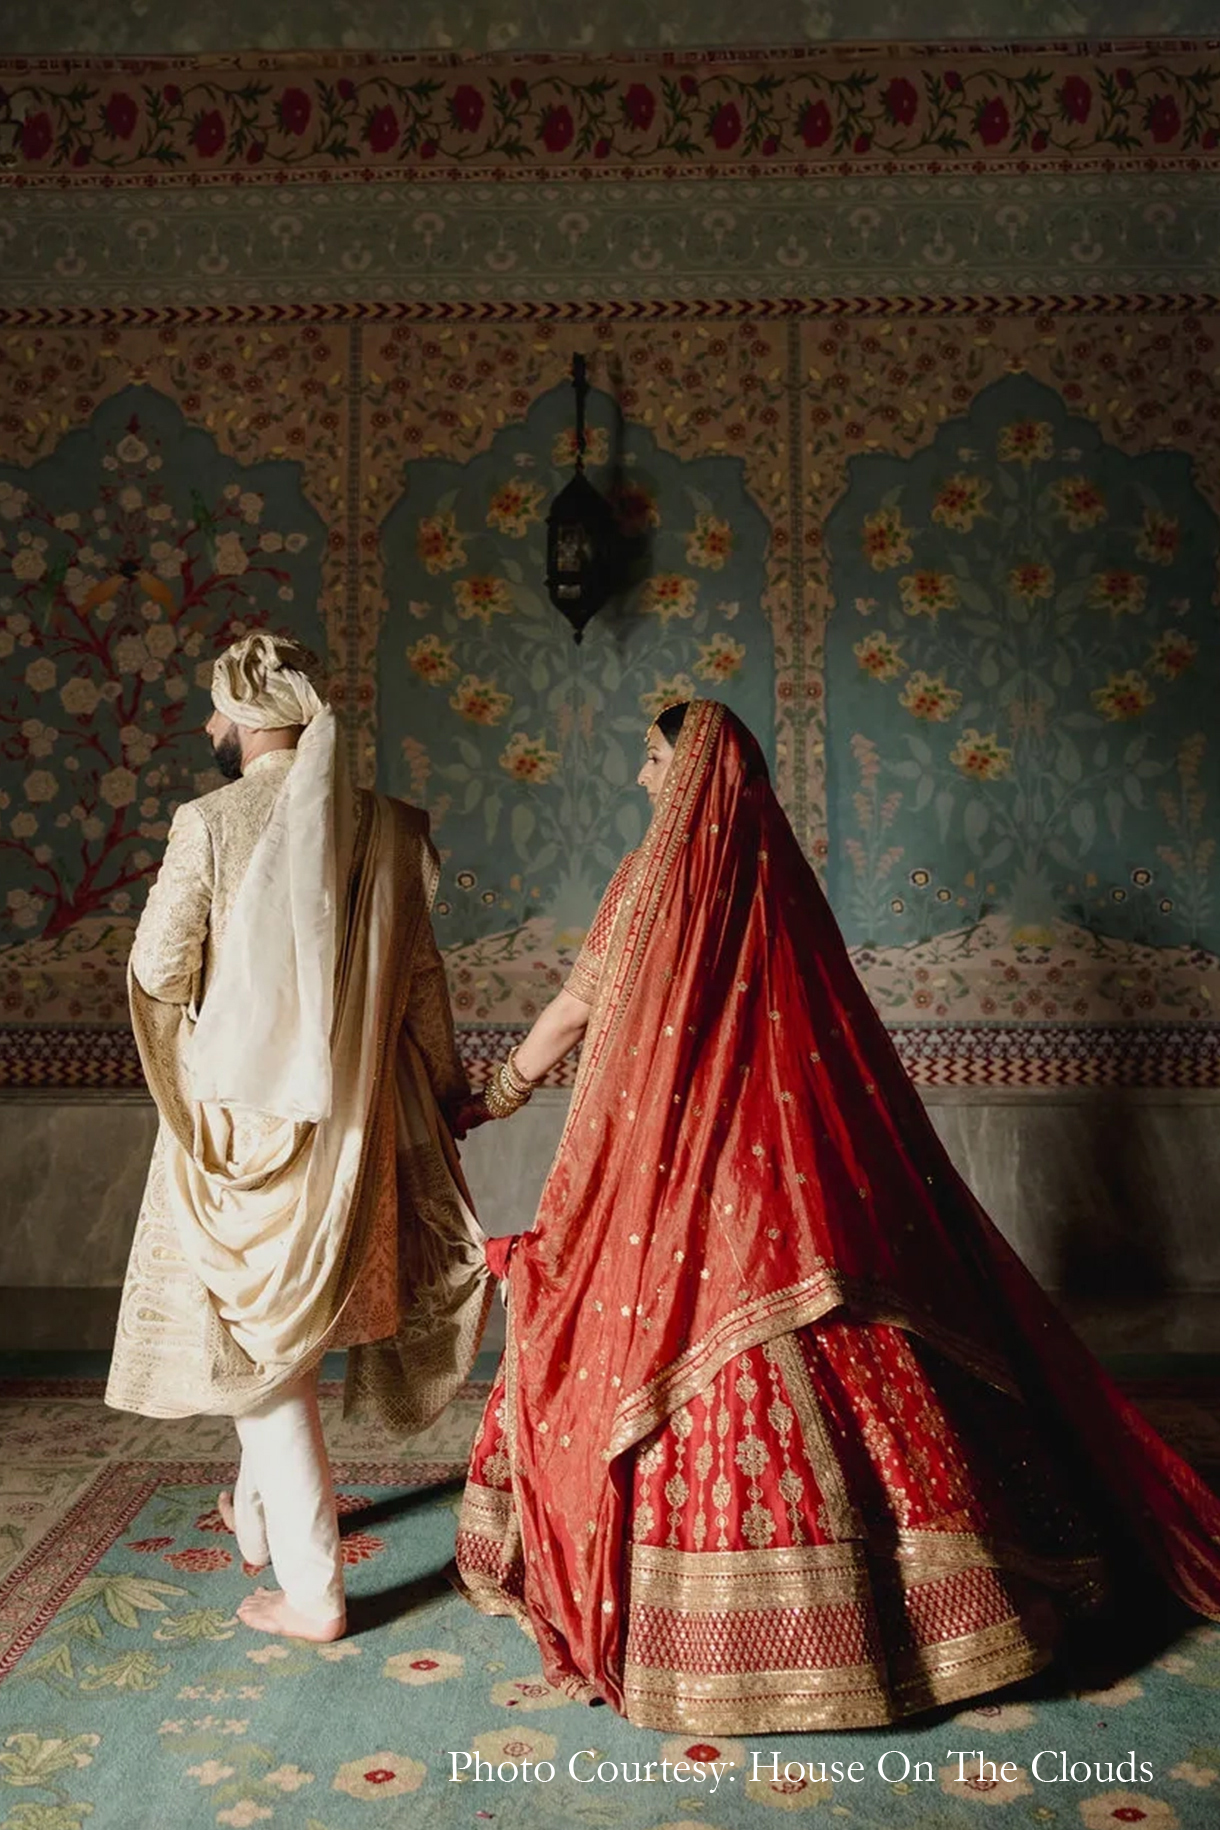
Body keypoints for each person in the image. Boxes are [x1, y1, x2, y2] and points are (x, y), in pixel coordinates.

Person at [454, 697, 1220, 1732]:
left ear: (684, 779)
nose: (640, 779)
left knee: (666, 1337)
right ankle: (939, 1610)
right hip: (779, 1170)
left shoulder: (649, 883)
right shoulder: (774, 882)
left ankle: (746, 1637)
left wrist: (494, 1093)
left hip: (678, 1174)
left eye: (648, 761)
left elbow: (580, 1008)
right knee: (831, 1335)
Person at [107, 630, 489, 1641]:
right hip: (353, 1132)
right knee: (277, 1341)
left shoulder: (209, 821)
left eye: (213, 712)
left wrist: (187, 1073)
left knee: (257, 1352)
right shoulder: (395, 828)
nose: (206, 728)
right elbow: (420, 988)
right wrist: (448, 1096)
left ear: (240, 717)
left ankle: (314, 1591)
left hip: (237, 1132)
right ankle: (254, 1514)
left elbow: (153, 968)